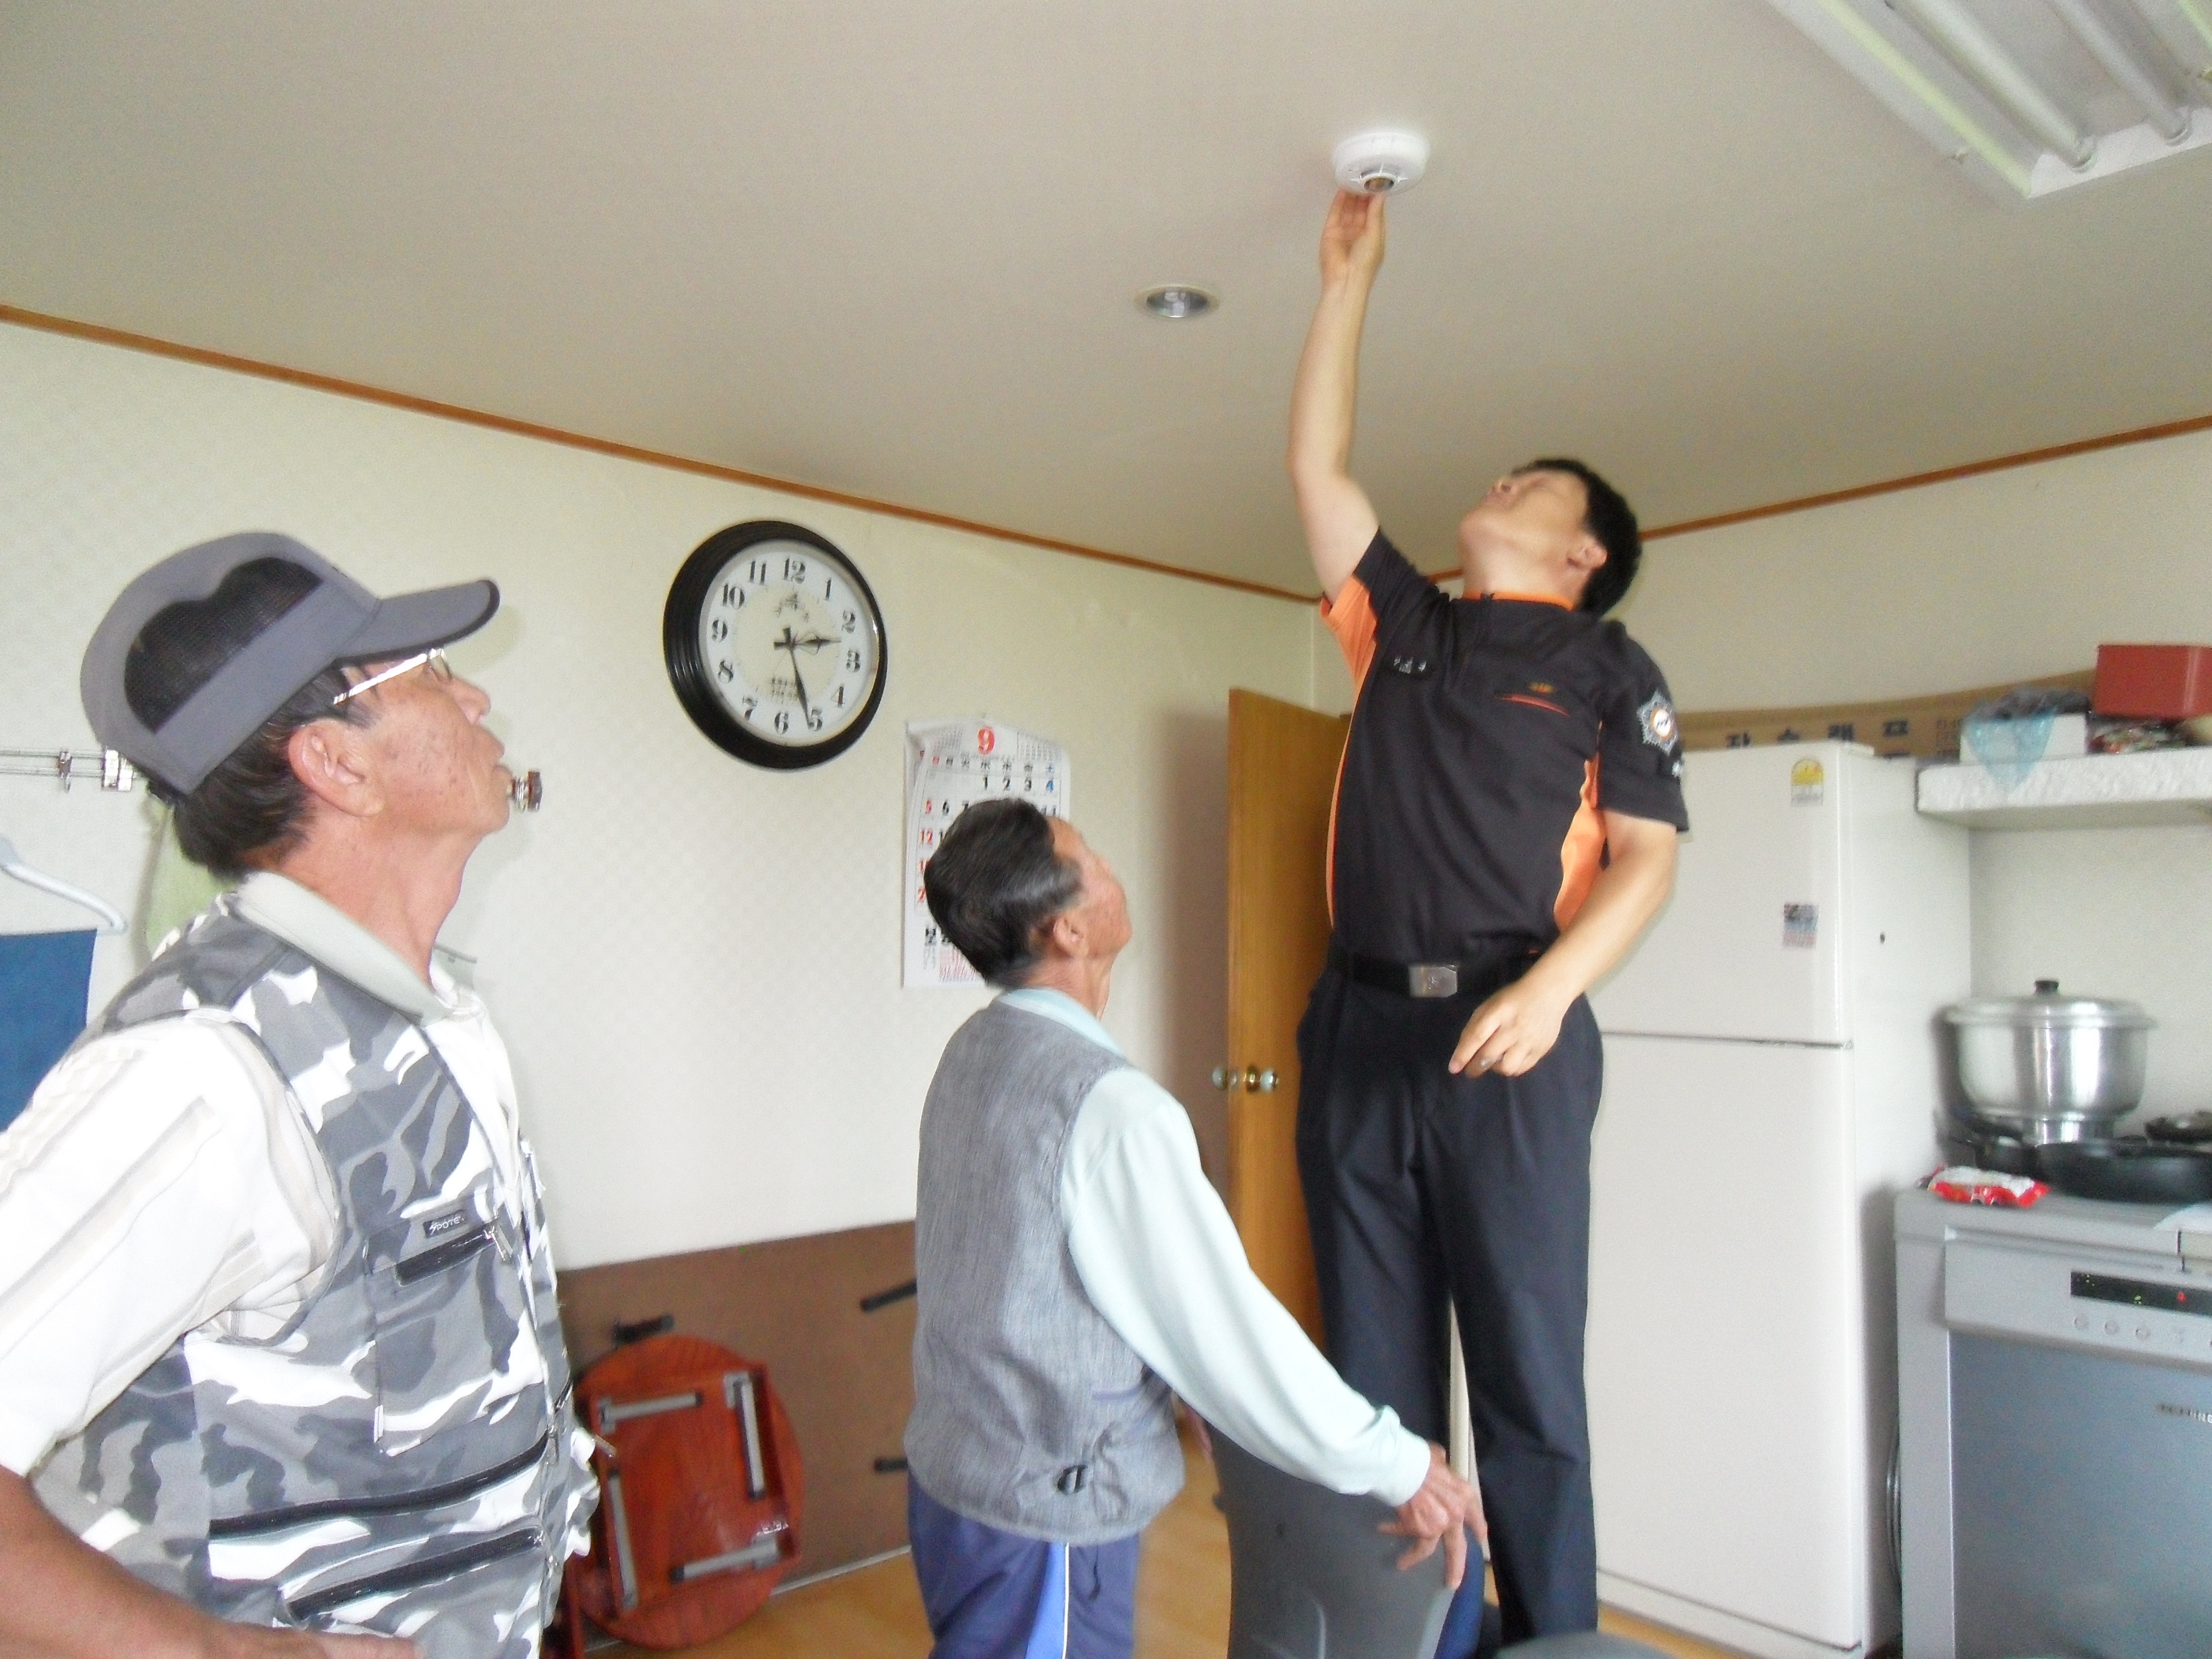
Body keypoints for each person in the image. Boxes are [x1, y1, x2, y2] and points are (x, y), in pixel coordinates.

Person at [0, 533, 598, 1659]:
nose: (475, 697)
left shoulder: (439, 1020)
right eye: (429, 676)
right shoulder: (202, 1072)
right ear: (336, 764)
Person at [1285, 190, 1688, 1654]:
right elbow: (1316, 466)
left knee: (1525, 1389)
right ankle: (1415, 1637)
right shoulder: (1405, 623)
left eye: (1536, 486)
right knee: (1372, 1402)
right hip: (1356, 1030)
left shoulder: (1607, 665)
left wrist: (1556, 989)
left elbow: (1646, 858)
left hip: (1511, 1040)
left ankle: (1550, 1640)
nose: (1503, 481)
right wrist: (1348, 282)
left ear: (1583, 556)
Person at [905, 798, 1483, 1659]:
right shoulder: (1113, 1110)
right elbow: (1229, 1334)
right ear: (1068, 930)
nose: (1110, 870)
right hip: (1043, 1514)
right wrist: (1399, 1464)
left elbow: (1036, 1276)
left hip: (953, 1483)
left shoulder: (974, 1054)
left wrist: (1174, 1379)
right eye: (1091, 860)